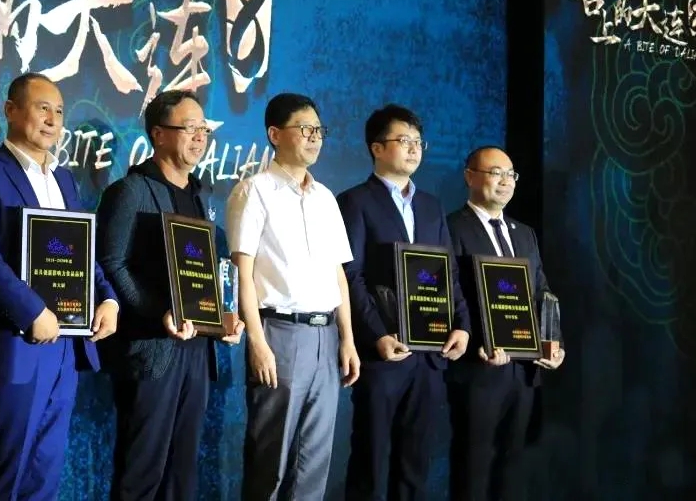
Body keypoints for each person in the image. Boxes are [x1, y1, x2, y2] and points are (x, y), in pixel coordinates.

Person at [0, 72, 119, 501]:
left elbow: (81, 249)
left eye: (59, 111)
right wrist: (33, 311)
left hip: (66, 345)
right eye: (42, 108)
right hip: (16, 344)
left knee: (45, 472)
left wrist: (107, 298)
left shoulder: (63, 180)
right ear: (11, 110)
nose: (52, 119)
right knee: (5, 474)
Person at [97, 89, 244, 501]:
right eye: (189, 128)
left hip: (197, 351)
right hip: (153, 351)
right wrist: (158, 312)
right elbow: (111, 264)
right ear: (159, 134)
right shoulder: (131, 191)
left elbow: (201, 274)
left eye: (204, 129)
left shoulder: (201, 196)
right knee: (141, 474)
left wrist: (222, 318)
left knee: (182, 474)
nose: (199, 137)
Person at [226, 93, 360, 501]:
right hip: (280, 334)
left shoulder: (325, 198)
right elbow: (243, 274)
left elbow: (338, 276)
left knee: (314, 464)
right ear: (275, 134)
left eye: (319, 130)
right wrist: (257, 342)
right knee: (271, 460)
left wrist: (348, 339)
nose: (315, 137)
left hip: (325, 337)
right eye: (305, 129)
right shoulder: (254, 191)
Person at [337, 103, 471, 501]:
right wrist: (377, 335)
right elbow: (351, 276)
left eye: (418, 142)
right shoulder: (355, 201)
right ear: (377, 148)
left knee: (415, 465)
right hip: (383, 353)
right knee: (371, 461)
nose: (414, 148)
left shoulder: (431, 206)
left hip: (429, 355)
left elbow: (448, 272)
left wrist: (462, 324)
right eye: (403, 140)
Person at [446, 146, 565, 501]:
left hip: (524, 370)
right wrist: (478, 341)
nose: (505, 181)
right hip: (479, 370)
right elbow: (450, 293)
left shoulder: (524, 233)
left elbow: (542, 291)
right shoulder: (450, 228)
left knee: (513, 469)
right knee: (474, 468)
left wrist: (553, 341)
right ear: (469, 176)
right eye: (495, 172)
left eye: (510, 174)